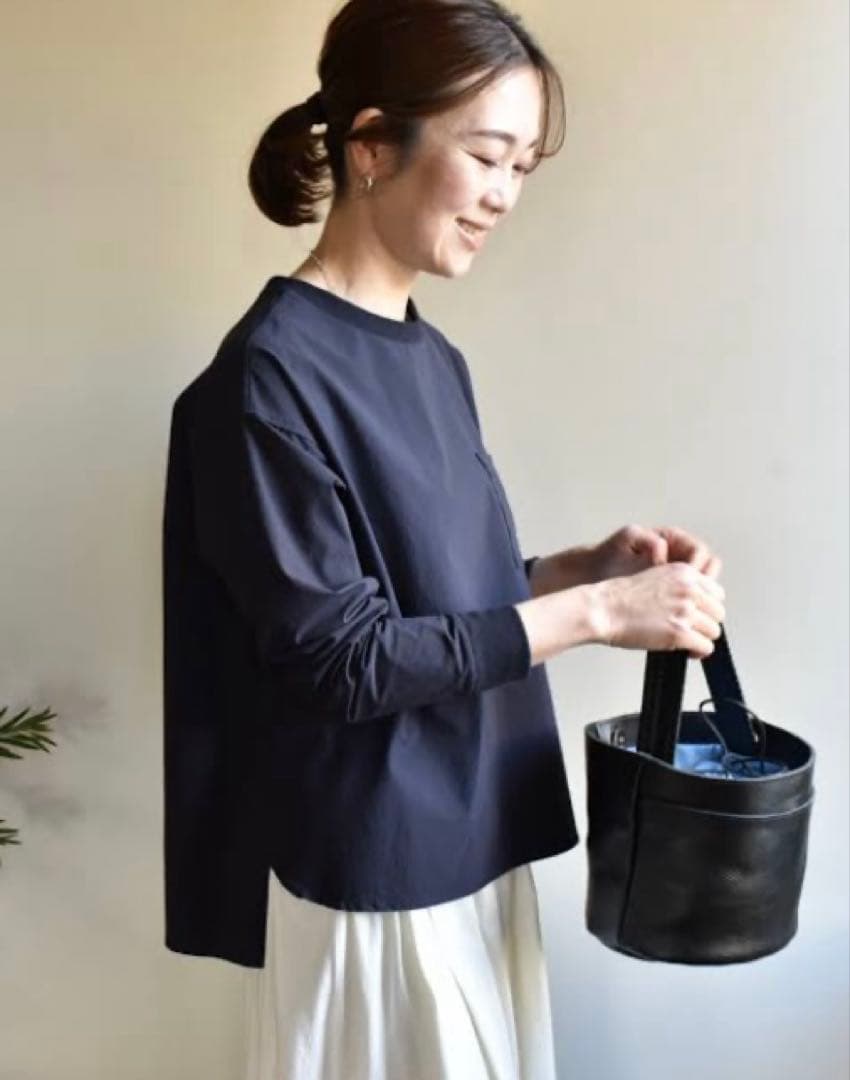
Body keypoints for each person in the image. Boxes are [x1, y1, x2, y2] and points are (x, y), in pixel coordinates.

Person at [161, 1, 727, 1077]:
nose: (504, 194)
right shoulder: (264, 381)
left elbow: (426, 601)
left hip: (472, 836)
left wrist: (571, 574)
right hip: (376, 872)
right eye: (485, 154)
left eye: (522, 165)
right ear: (372, 145)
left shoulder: (429, 358)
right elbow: (340, 661)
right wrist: (596, 614)